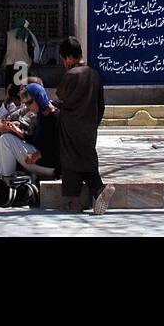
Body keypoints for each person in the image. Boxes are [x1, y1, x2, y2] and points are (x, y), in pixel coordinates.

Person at [55, 36, 115, 214]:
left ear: (68, 58)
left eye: (64, 59)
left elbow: (61, 99)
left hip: (70, 127)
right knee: (87, 158)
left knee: (70, 160)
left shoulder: (71, 75)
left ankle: (81, 198)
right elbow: (101, 104)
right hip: (89, 126)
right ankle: (95, 193)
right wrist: (93, 123)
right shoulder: (95, 75)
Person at [0, 82, 60, 179]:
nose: (28, 106)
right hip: (39, 160)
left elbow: (57, 145)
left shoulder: (54, 117)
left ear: (38, 98)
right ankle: (4, 179)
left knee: (6, 140)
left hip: (49, 165)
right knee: (6, 138)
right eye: (26, 104)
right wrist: (16, 130)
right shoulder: (41, 115)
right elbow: (36, 140)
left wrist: (39, 155)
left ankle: (5, 178)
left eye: (30, 102)